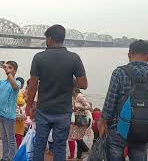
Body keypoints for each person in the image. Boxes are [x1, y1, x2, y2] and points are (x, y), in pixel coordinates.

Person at [27, 25, 88, 161]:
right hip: (63, 112)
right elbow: (83, 84)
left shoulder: (39, 57)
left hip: (43, 110)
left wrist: (29, 105)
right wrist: (69, 78)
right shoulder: (74, 58)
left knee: (40, 145)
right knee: (60, 147)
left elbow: (32, 85)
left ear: (49, 39)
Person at [99, 40, 148, 161]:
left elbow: (110, 102)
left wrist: (103, 121)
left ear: (129, 54)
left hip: (118, 128)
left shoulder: (119, 73)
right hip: (144, 130)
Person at [0, 61, 21, 161]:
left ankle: (13, 158)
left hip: (9, 116)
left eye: (10, 68)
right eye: (7, 67)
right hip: (0, 114)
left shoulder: (17, 82)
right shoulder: (2, 82)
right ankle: (5, 157)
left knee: (11, 140)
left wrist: (7, 72)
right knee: (4, 138)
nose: (8, 69)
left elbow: (15, 86)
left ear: (15, 71)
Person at [68, 88, 91, 159]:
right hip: (77, 120)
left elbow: (88, 106)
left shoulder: (80, 96)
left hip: (82, 120)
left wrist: (78, 107)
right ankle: (79, 157)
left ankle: (87, 150)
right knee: (78, 138)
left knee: (75, 138)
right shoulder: (73, 97)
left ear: (74, 90)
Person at [15, 77, 26, 148]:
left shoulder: (13, 91)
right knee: (19, 134)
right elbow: (20, 102)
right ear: (22, 85)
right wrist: (25, 98)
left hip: (12, 115)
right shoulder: (19, 92)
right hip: (18, 118)